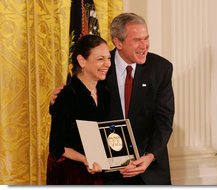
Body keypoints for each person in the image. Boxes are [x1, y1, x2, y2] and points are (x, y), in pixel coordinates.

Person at [50, 12, 175, 185]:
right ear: (118, 42)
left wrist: (150, 156)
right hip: (108, 173)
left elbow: (164, 119)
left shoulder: (161, 68)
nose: (144, 45)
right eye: (137, 40)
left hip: (150, 170)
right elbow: (77, 104)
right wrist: (55, 103)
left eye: (146, 38)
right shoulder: (98, 65)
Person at [47, 34, 111, 185]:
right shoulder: (67, 95)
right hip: (71, 173)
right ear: (82, 61)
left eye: (108, 58)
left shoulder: (105, 93)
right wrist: (85, 159)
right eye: (100, 59)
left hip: (97, 170)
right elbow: (57, 146)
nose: (107, 63)